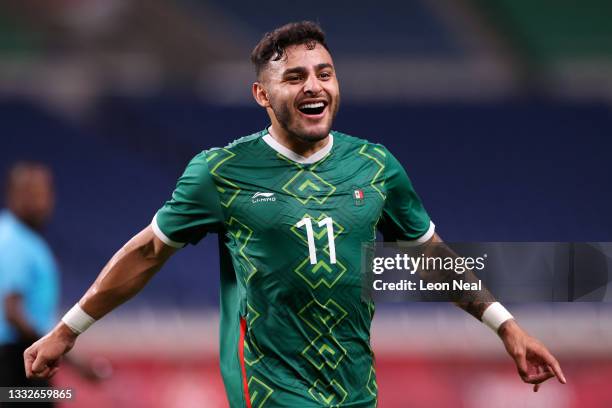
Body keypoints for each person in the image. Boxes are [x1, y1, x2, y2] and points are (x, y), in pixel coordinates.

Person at [25, 22, 566, 407]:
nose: (314, 85)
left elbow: (429, 255)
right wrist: (69, 331)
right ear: (262, 93)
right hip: (269, 389)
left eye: (324, 73)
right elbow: (147, 252)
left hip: (354, 390)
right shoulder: (222, 171)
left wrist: (506, 327)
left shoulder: (375, 166)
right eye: (296, 77)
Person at [0, 163, 58, 407]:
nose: (41, 202)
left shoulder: (21, 238)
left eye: (45, 194)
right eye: (33, 194)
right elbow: (12, 311)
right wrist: (57, 347)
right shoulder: (14, 241)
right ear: (13, 195)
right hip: (16, 361)